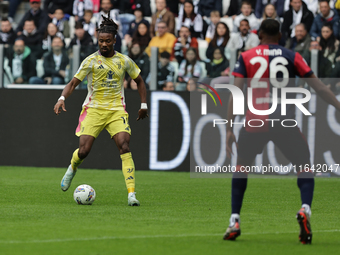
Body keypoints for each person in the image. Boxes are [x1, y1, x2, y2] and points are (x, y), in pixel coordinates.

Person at [223, 19, 340, 244]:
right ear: (280, 36)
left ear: (259, 36)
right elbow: (320, 88)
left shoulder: (246, 57)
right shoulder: (292, 56)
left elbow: (235, 95)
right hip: (283, 121)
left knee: (241, 167)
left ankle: (234, 220)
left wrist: (229, 129)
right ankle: (305, 208)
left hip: (254, 121)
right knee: (305, 165)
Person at [53, 14, 148, 206]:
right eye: (100, 41)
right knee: (84, 151)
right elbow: (73, 83)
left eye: (107, 41)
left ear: (114, 40)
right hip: (94, 109)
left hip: (116, 110)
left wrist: (143, 104)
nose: (103, 44)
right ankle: (72, 168)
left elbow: (139, 81)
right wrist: (62, 98)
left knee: (125, 146)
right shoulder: (90, 61)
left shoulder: (124, 61)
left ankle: (131, 195)